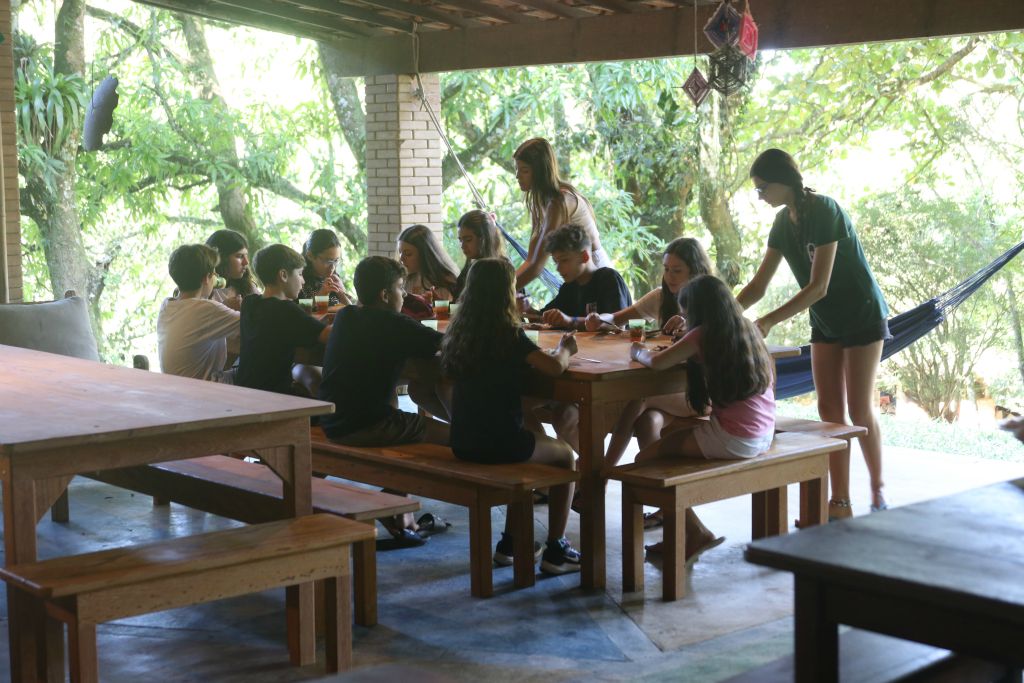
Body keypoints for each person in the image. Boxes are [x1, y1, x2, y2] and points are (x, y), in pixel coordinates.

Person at [736, 148, 891, 517]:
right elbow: (758, 285)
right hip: (825, 322)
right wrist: (724, 313)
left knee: (859, 408)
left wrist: (768, 321)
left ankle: (877, 492)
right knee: (829, 410)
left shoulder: (824, 210)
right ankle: (840, 500)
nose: (760, 196)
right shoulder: (782, 223)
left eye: (763, 188)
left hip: (862, 314)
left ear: (784, 181)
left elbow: (818, 286)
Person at [440, 258, 582, 574]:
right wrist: (566, 348)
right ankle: (557, 548)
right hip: (499, 444)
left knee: (528, 456)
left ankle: (511, 544)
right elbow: (554, 367)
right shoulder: (507, 334)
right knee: (565, 456)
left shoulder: (459, 333)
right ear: (506, 292)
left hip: (463, 441)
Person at [630, 275, 776, 561]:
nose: (685, 317)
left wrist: (637, 351)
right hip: (763, 434)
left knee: (644, 460)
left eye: (686, 312)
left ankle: (693, 531)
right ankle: (684, 532)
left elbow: (657, 363)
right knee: (666, 441)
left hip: (732, 438)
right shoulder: (747, 328)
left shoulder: (703, 334)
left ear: (697, 311)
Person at [318, 256, 451, 547]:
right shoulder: (394, 323)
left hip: (332, 421)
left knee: (401, 416)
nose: (405, 295)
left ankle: (397, 507)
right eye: (401, 288)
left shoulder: (346, 316)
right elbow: (447, 344)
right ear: (385, 294)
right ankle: (392, 503)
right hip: (366, 425)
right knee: (456, 438)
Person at [591, 238, 715, 474]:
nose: (670, 276)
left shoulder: (710, 302)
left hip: (701, 392)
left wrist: (687, 326)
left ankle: (603, 472)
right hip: (669, 390)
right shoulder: (661, 297)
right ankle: (661, 491)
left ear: (695, 271)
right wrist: (599, 320)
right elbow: (617, 318)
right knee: (648, 422)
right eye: (666, 269)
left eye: (677, 270)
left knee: (639, 398)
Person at [513, 137, 609, 290]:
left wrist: (502, 294)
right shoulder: (538, 204)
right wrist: (506, 287)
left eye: (524, 170)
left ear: (540, 172)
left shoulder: (560, 202)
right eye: (517, 169)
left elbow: (537, 266)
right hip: (576, 276)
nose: (517, 176)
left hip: (597, 274)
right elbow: (531, 260)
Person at [235, 244, 331, 396]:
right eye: (300, 274)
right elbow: (330, 335)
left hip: (244, 391)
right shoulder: (285, 310)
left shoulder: (249, 303)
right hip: (273, 396)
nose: (303, 281)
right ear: (283, 275)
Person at [157, 244, 240, 382]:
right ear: (206, 278)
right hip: (200, 390)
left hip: (175, 385)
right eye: (214, 273)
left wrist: (223, 308)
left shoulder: (167, 305)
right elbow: (253, 323)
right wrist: (237, 308)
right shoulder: (207, 309)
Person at [528, 223, 631, 331]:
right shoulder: (568, 288)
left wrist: (569, 321)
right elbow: (543, 319)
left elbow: (618, 326)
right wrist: (527, 309)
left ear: (584, 256)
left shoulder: (609, 279)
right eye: (555, 262)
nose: (558, 268)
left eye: (564, 260)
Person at [396, 224, 460, 302]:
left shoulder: (443, 282)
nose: (401, 259)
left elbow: (446, 308)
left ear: (424, 254)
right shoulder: (402, 279)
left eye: (408, 254)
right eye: (400, 252)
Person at [453, 210, 504, 300]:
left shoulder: (501, 271)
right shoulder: (469, 268)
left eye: (468, 240)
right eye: (461, 240)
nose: (463, 246)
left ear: (484, 238)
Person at [298, 228, 353, 306]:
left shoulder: (334, 277)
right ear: (310, 256)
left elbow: (350, 308)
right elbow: (298, 310)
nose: (332, 267)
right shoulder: (299, 278)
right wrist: (322, 295)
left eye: (336, 260)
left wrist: (341, 292)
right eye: (328, 261)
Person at [205, 229, 258, 310]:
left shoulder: (248, 287)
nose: (246, 262)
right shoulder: (202, 290)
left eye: (246, 255)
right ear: (221, 258)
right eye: (240, 256)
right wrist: (224, 308)